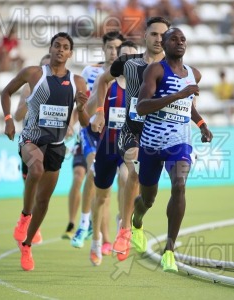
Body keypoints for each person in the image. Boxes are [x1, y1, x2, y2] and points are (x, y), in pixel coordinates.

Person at [2, 32, 89, 271]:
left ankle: (27, 245)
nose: (61, 50)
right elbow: (5, 92)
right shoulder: (34, 74)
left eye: (65, 47)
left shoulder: (77, 82)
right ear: (50, 49)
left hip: (56, 145)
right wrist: (9, 119)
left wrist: (80, 108)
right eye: (57, 46)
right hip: (31, 138)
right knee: (36, 169)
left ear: (70, 53)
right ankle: (24, 218)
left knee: (44, 199)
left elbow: (85, 119)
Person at [91, 16, 171, 261]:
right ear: (145, 36)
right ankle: (124, 230)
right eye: (154, 34)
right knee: (132, 171)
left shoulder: (174, 68)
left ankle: (136, 221)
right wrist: (98, 112)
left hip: (160, 134)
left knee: (150, 194)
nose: (158, 39)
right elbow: (103, 81)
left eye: (163, 35)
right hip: (130, 132)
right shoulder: (127, 63)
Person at [134, 27, 213, 272]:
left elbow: (187, 105)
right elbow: (142, 107)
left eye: (183, 39)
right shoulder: (155, 70)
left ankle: (169, 250)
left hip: (179, 141)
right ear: (165, 44)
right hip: (151, 143)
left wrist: (201, 124)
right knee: (148, 199)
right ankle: (136, 223)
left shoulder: (194, 74)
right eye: (174, 39)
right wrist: (180, 93)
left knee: (179, 185)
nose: (179, 42)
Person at [70, 31, 126, 253]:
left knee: (108, 185)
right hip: (91, 132)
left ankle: (104, 236)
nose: (114, 51)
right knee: (92, 172)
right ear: (103, 49)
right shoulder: (91, 72)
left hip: (114, 134)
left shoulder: (127, 74)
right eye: (110, 47)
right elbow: (82, 104)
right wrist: (73, 123)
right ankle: (84, 224)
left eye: (117, 48)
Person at [87, 41, 138, 266]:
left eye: (131, 55)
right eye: (123, 55)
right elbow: (87, 112)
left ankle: (123, 225)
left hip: (128, 146)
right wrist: (94, 112)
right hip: (107, 146)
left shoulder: (142, 85)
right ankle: (96, 239)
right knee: (101, 197)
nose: (127, 59)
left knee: (128, 178)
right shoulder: (107, 85)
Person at [12, 54, 51, 245]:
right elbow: (18, 116)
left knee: (43, 193)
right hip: (30, 142)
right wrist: (30, 101)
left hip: (50, 144)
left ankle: (33, 225)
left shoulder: (59, 88)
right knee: (32, 185)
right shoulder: (28, 87)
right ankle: (27, 224)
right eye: (42, 67)